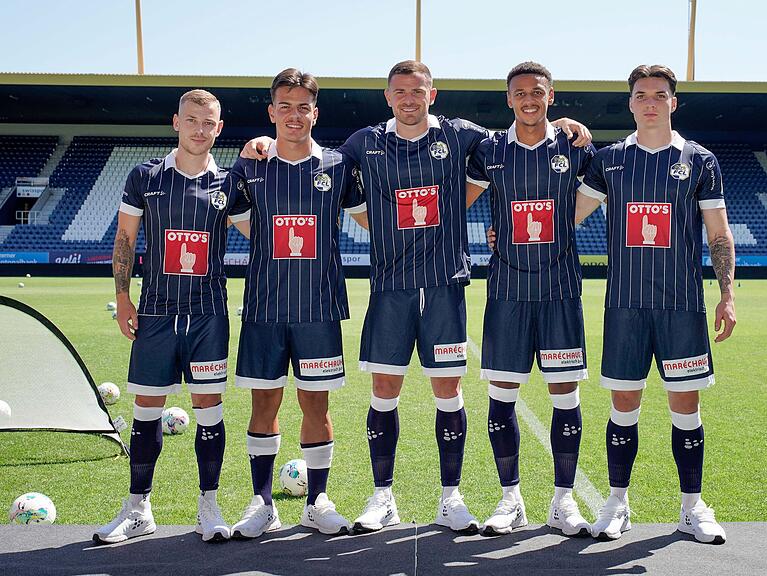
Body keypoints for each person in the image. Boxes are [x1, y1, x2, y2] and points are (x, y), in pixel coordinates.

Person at [242, 61, 591, 534]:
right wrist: (262, 142)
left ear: (433, 94)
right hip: (391, 288)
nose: (409, 99)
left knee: (448, 391)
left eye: (417, 90)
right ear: (388, 97)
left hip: (445, 285)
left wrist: (562, 122)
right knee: (384, 391)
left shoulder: (461, 134)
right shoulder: (364, 143)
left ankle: (451, 499)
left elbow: (523, 130)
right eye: (400, 91)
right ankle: (382, 497)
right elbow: (310, 155)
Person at [576, 65, 736, 544]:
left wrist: (727, 294)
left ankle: (692, 507)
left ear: (673, 102)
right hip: (625, 305)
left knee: (686, 405)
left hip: (681, 306)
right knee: (624, 404)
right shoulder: (610, 160)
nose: (650, 102)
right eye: (641, 95)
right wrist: (505, 232)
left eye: (659, 95)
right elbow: (568, 217)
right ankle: (617, 503)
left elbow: (719, 233)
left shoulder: (700, 160)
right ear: (630, 103)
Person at [94, 89, 251, 544]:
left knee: (209, 409)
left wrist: (261, 150)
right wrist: (123, 297)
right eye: (192, 120)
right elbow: (125, 239)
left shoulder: (230, 183)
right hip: (156, 312)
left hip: (207, 314)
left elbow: (259, 234)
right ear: (176, 122)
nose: (200, 129)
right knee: (146, 410)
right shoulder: (145, 177)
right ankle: (138, 508)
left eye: (209, 122)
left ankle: (209, 507)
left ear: (219, 128)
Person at [228, 69, 365, 539]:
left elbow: (372, 218)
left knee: (316, 405)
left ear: (315, 113)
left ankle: (315, 503)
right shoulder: (249, 166)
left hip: (318, 308)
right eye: (284, 106)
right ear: (271, 112)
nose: (293, 114)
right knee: (264, 403)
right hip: (264, 307)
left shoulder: (338, 166)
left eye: (302, 106)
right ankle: (263, 504)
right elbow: (235, 218)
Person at [464, 62, 596, 537]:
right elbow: (455, 201)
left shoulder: (574, 147)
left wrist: (562, 225)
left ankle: (563, 501)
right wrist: (492, 231)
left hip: (560, 290)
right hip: (508, 291)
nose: (529, 99)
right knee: (502, 396)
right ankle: (511, 499)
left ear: (550, 96)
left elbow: (606, 190)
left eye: (537, 91)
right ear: (509, 99)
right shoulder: (490, 150)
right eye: (520, 92)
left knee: (565, 395)